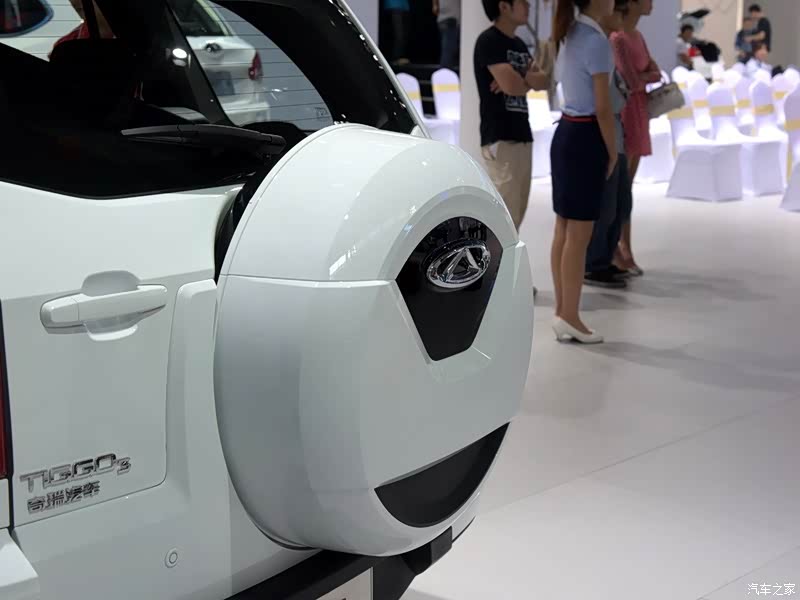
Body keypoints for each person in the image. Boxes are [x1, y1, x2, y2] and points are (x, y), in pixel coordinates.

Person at [549, 0, 616, 344]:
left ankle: (563, 312)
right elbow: (603, 107)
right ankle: (570, 316)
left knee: (564, 228)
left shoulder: (569, 33)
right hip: (586, 135)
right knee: (578, 234)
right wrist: (612, 149)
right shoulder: (596, 41)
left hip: (566, 132)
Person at [474, 0, 549, 233]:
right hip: (500, 135)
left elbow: (543, 80)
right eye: (522, 2)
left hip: (522, 133)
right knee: (504, 216)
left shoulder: (519, 44)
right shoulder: (489, 41)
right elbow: (512, 85)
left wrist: (517, 76)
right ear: (504, 6)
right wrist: (524, 78)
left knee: (517, 211)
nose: (528, 6)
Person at [584, 0, 632, 290]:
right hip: (605, 134)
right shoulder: (595, 44)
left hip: (615, 133)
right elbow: (606, 100)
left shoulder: (603, 44)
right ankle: (595, 262)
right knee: (606, 205)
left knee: (620, 203)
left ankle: (604, 257)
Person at [610, 0, 659, 277]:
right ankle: (618, 247)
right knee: (621, 186)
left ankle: (624, 246)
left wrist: (644, 76)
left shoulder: (637, 36)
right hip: (627, 110)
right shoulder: (618, 38)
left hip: (639, 109)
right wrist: (645, 76)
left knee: (627, 186)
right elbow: (632, 79)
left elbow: (654, 72)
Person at [433, 0, 460, 71]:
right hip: (451, 18)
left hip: (442, 17)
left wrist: (435, 6)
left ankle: (445, 72)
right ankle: (444, 73)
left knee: (448, 50)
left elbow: (435, 9)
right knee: (448, 52)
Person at [383, 0, 411, 65]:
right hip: (394, 6)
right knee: (398, 34)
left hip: (404, 6)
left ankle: (398, 58)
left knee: (403, 34)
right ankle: (395, 58)